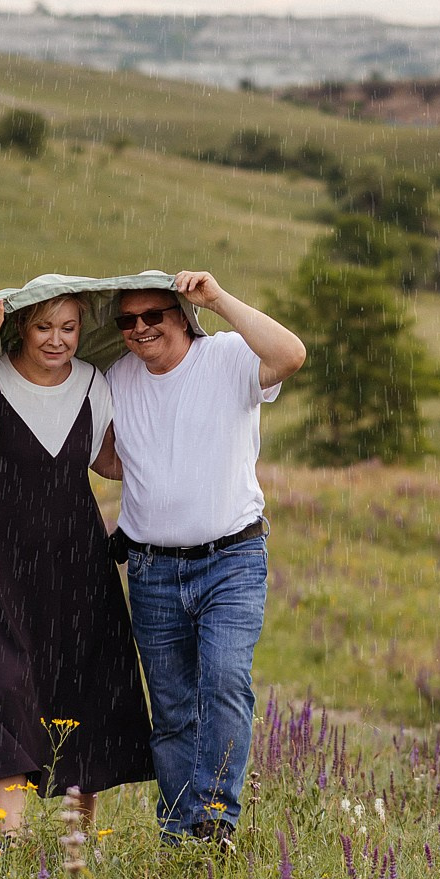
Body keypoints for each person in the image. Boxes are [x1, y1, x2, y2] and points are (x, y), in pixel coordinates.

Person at [0, 292, 153, 838]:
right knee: (1, 685)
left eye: (68, 328)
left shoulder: (94, 382)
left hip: (78, 559)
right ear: (22, 327)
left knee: (84, 685)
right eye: (45, 327)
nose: (57, 340)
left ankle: (78, 842)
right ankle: (13, 841)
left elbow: (110, 461)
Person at [108, 270, 305, 845]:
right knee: (170, 708)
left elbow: (291, 355)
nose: (140, 329)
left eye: (153, 316)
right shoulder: (120, 378)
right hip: (149, 568)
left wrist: (217, 298)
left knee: (223, 681)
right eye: (127, 321)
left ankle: (215, 818)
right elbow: (106, 456)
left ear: (180, 315)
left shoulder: (226, 357)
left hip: (231, 560)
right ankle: (180, 835)